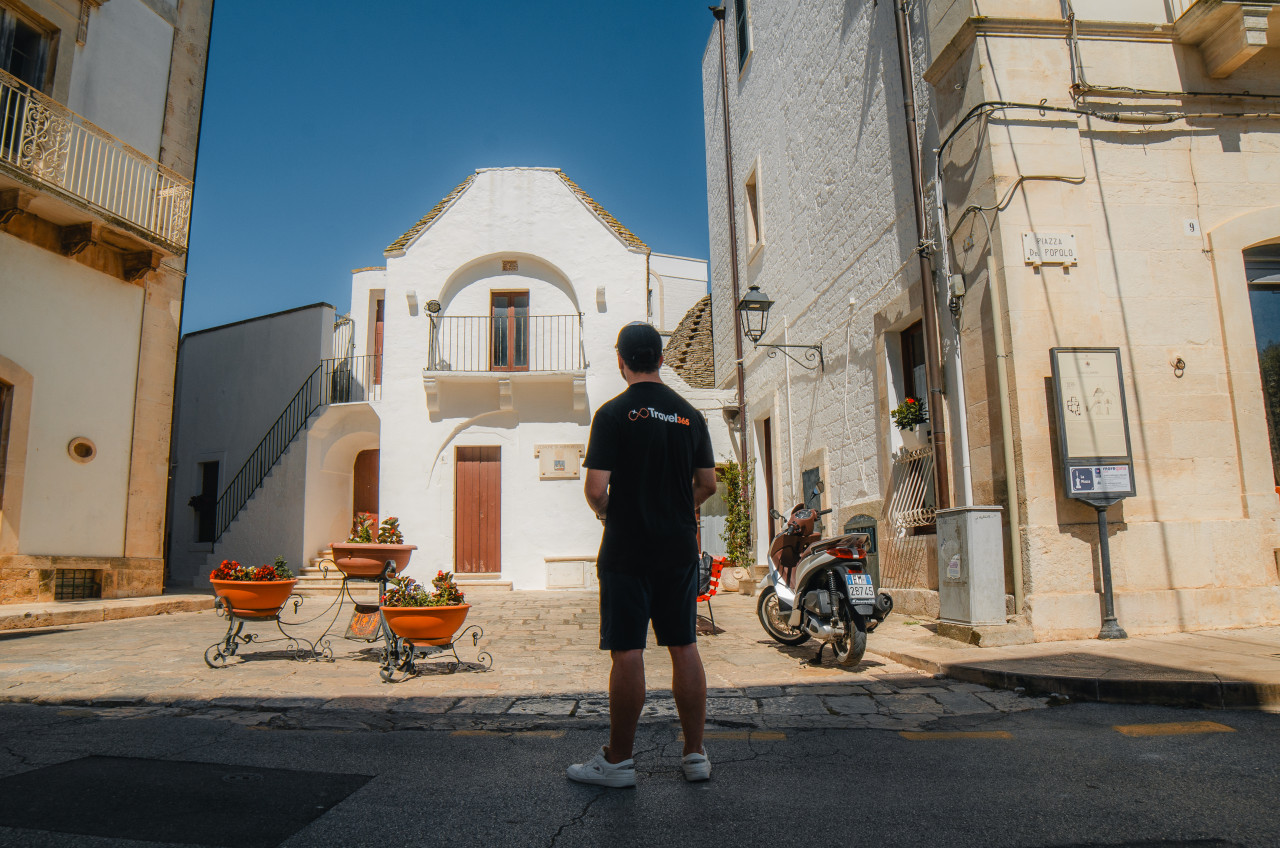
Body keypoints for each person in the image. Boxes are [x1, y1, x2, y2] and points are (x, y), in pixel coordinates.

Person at [566, 321, 718, 789]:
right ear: (660, 358)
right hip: (677, 546)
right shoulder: (690, 415)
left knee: (627, 650)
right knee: (683, 645)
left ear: (621, 360)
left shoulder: (613, 414)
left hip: (628, 547)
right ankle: (695, 755)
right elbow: (708, 484)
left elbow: (595, 489)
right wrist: (675, 506)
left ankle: (618, 762)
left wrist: (612, 510)